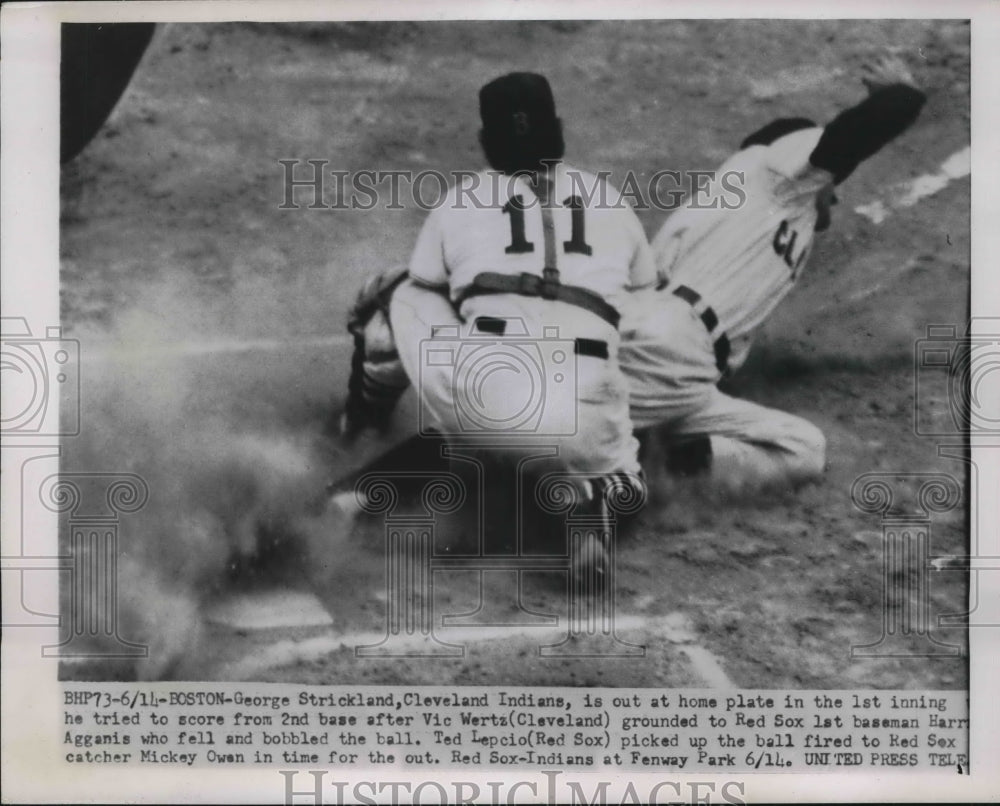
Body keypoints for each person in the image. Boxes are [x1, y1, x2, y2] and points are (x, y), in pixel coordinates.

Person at [339, 72, 656, 561]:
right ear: (560, 128)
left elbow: (429, 284)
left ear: (486, 142)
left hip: (487, 388)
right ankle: (592, 506)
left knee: (399, 290)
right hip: (585, 404)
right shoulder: (613, 201)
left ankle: (358, 454)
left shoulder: (459, 201)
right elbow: (641, 302)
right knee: (626, 480)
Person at [621, 56, 927, 490]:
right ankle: (610, 474)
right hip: (664, 348)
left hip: (679, 375)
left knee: (802, 449)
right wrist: (900, 93)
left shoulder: (753, 213)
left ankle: (650, 469)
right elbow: (850, 138)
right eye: (832, 185)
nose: (834, 197)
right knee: (583, 434)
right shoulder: (773, 172)